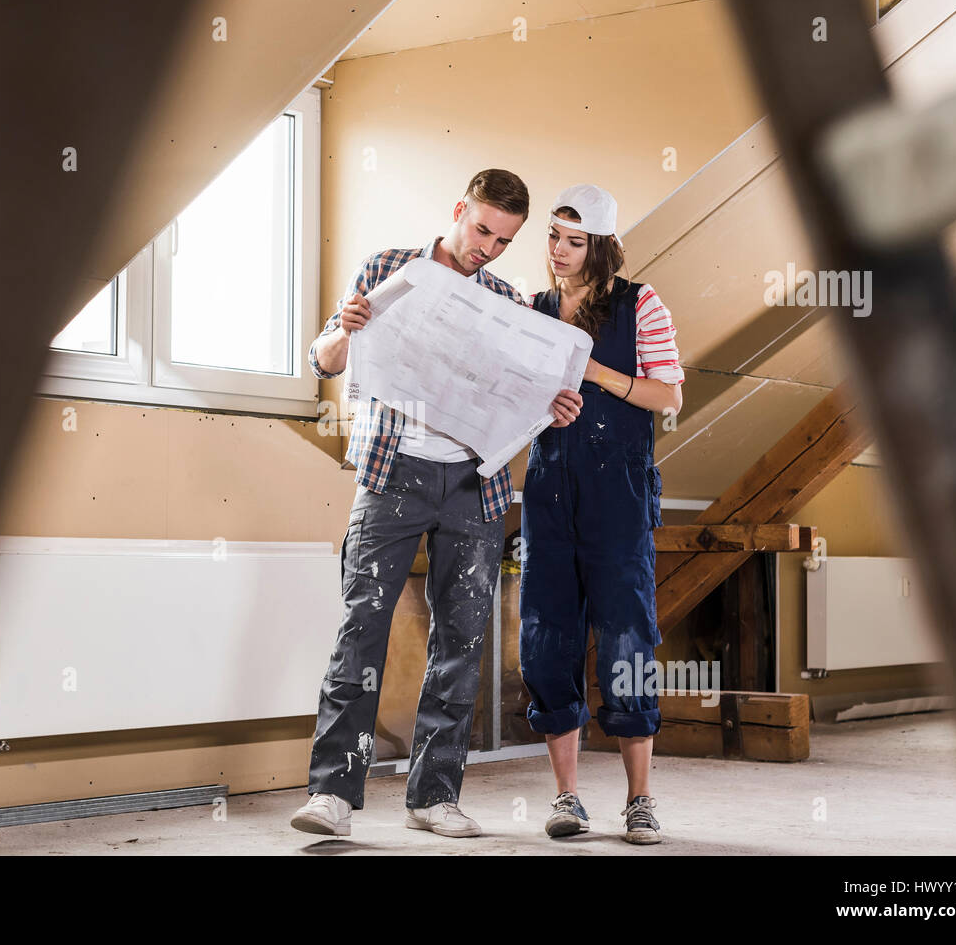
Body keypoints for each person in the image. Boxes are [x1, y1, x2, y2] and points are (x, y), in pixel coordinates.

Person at [290, 169, 583, 839]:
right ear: (459, 210)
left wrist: (556, 407)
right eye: (482, 229)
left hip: (475, 484)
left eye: (504, 240)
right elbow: (327, 357)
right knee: (361, 627)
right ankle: (332, 793)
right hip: (391, 470)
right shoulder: (390, 267)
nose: (488, 247)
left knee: (463, 637)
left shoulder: (507, 300)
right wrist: (346, 329)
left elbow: (521, 390)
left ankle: (433, 795)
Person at [518, 184, 684, 844]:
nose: (559, 251)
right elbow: (517, 398)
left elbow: (669, 392)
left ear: (603, 246)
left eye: (574, 240)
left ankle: (640, 799)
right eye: (554, 236)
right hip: (549, 495)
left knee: (626, 639)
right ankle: (567, 796)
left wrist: (597, 374)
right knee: (548, 636)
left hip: (618, 498)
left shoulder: (639, 303)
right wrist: (543, 405)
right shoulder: (531, 311)